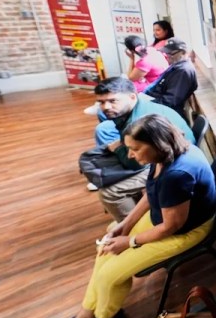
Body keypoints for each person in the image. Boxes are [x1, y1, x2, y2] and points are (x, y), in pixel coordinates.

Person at [66, 114, 216, 318]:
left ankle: (103, 317)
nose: (130, 155)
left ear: (157, 143)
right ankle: (87, 311)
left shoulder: (177, 174)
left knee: (110, 275)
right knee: (107, 247)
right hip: (165, 220)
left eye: (135, 149)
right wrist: (124, 226)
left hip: (185, 231)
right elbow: (151, 194)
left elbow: (171, 226)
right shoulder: (165, 154)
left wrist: (130, 241)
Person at [79, 77, 195, 221]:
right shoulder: (133, 110)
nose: (106, 107)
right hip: (165, 156)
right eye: (101, 102)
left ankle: (135, 227)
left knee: (110, 193)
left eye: (112, 101)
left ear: (132, 96)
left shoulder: (139, 122)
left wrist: (117, 148)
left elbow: (134, 162)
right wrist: (119, 146)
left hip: (174, 163)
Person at [143, 38, 198, 116]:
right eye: (166, 53)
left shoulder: (183, 71)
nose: (167, 56)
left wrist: (148, 106)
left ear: (183, 52)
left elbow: (170, 101)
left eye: (171, 53)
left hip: (164, 112)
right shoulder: (176, 64)